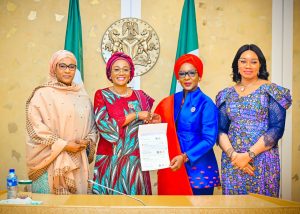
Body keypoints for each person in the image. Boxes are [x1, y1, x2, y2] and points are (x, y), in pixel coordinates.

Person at [216, 44, 292, 197]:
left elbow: (277, 128)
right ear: (237, 64)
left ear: (260, 65)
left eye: (254, 61)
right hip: (233, 163)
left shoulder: (271, 91)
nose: (248, 66)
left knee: (262, 207)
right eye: (243, 61)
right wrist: (235, 157)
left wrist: (248, 156)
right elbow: (220, 129)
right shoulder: (226, 94)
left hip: (262, 161)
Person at [26, 50, 98, 194]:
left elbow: (92, 127)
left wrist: (88, 140)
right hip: (48, 162)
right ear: (54, 68)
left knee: (75, 208)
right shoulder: (42, 94)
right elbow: (35, 128)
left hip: (77, 161)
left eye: (72, 67)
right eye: (62, 66)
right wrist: (64, 145)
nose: (67, 70)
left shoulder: (82, 96)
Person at [92, 52, 160, 195]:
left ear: (131, 74)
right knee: (109, 207)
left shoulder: (141, 96)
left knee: (135, 207)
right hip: (110, 161)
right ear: (109, 73)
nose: (121, 73)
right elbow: (104, 126)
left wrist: (152, 121)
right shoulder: (102, 95)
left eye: (125, 69)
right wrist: (135, 115)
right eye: (116, 69)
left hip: (136, 162)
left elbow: (145, 128)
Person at [154, 54, 220, 195]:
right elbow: (162, 128)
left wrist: (185, 157)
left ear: (199, 76)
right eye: (182, 74)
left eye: (191, 73)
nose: (187, 77)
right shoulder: (170, 101)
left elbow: (209, 140)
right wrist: (155, 122)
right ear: (178, 78)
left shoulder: (206, 103)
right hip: (173, 165)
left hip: (198, 171)